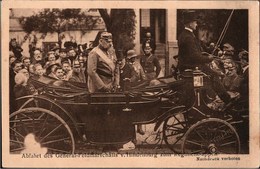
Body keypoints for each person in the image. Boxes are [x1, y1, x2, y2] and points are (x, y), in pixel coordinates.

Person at [178, 10, 236, 107]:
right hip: (191, 67)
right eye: (195, 22)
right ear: (190, 23)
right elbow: (194, 56)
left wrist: (209, 53)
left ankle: (213, 99)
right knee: (214, 75)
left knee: (214, 73)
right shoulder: (188, 37)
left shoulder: (186, 34)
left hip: (190, 65)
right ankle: (226, 99)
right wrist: (209, 58)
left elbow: (197, 50)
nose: (196, 24)